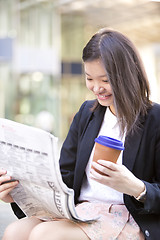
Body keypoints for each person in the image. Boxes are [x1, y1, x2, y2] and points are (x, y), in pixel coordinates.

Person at [0, 28, 160, 240]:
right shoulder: (87, 113)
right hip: (80, 210)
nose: (96, 88)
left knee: (44, 235)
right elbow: (64, 177)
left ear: (127, 75)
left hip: (126, 216)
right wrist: (18, 194)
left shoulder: (154, 119)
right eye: (89, 78)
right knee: (14, 232)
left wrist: (135, 187)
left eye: (105, 80)